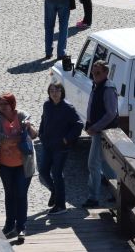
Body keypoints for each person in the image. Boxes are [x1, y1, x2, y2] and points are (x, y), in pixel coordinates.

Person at [0, 92, 36, 240]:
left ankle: (21, 227)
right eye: (0, 104)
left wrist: (28, 127)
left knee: (21, 194)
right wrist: (17, 138)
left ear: (12, 104)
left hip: (23, 165)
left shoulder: (22, 116)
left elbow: (34, 135)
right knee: (9, 194)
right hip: (5, 165)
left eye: (6, 104)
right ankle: (9, 225)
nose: (3, 107)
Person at [38, 82, 83, 215]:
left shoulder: (68, 108)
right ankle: (54, 191)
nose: (54, 93)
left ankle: (60, 205)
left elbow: (78, 125)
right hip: (47, 145)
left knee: (57, 174)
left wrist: (66, 139)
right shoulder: (47, 105)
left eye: (57, 90)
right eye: (52, 91)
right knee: (43, 171)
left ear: (62, 92)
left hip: (61, 148)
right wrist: (41, 133)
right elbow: (43, 119)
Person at [83, 60, 118, 207]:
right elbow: (92, 106)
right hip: (99, 131)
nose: (94, 74)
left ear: (106, 73)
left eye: (97, 72)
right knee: (105, 164)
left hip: (103, 132)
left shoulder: (108, 89)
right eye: (93, 72)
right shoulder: (98, 85)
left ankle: (93, 198)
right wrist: (89, 124)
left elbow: (111, 114)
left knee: (93, 163)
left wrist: (95, 127)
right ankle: (117, 194)